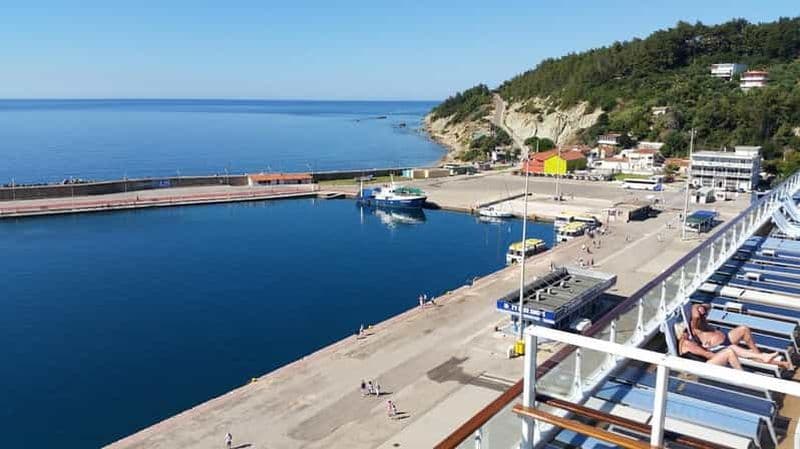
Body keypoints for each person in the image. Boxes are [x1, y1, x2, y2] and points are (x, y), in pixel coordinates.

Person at [689, 304, 791, 369]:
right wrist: (694, 306)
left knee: (743, 329)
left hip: (727, 338)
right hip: (719, 348)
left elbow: (709, 306)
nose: (704, 314)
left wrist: (701, 306)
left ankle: (758, 355)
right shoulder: (695, 326)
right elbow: (696, 316)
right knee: (733, 348)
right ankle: (764, 358)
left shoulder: (703, 319)